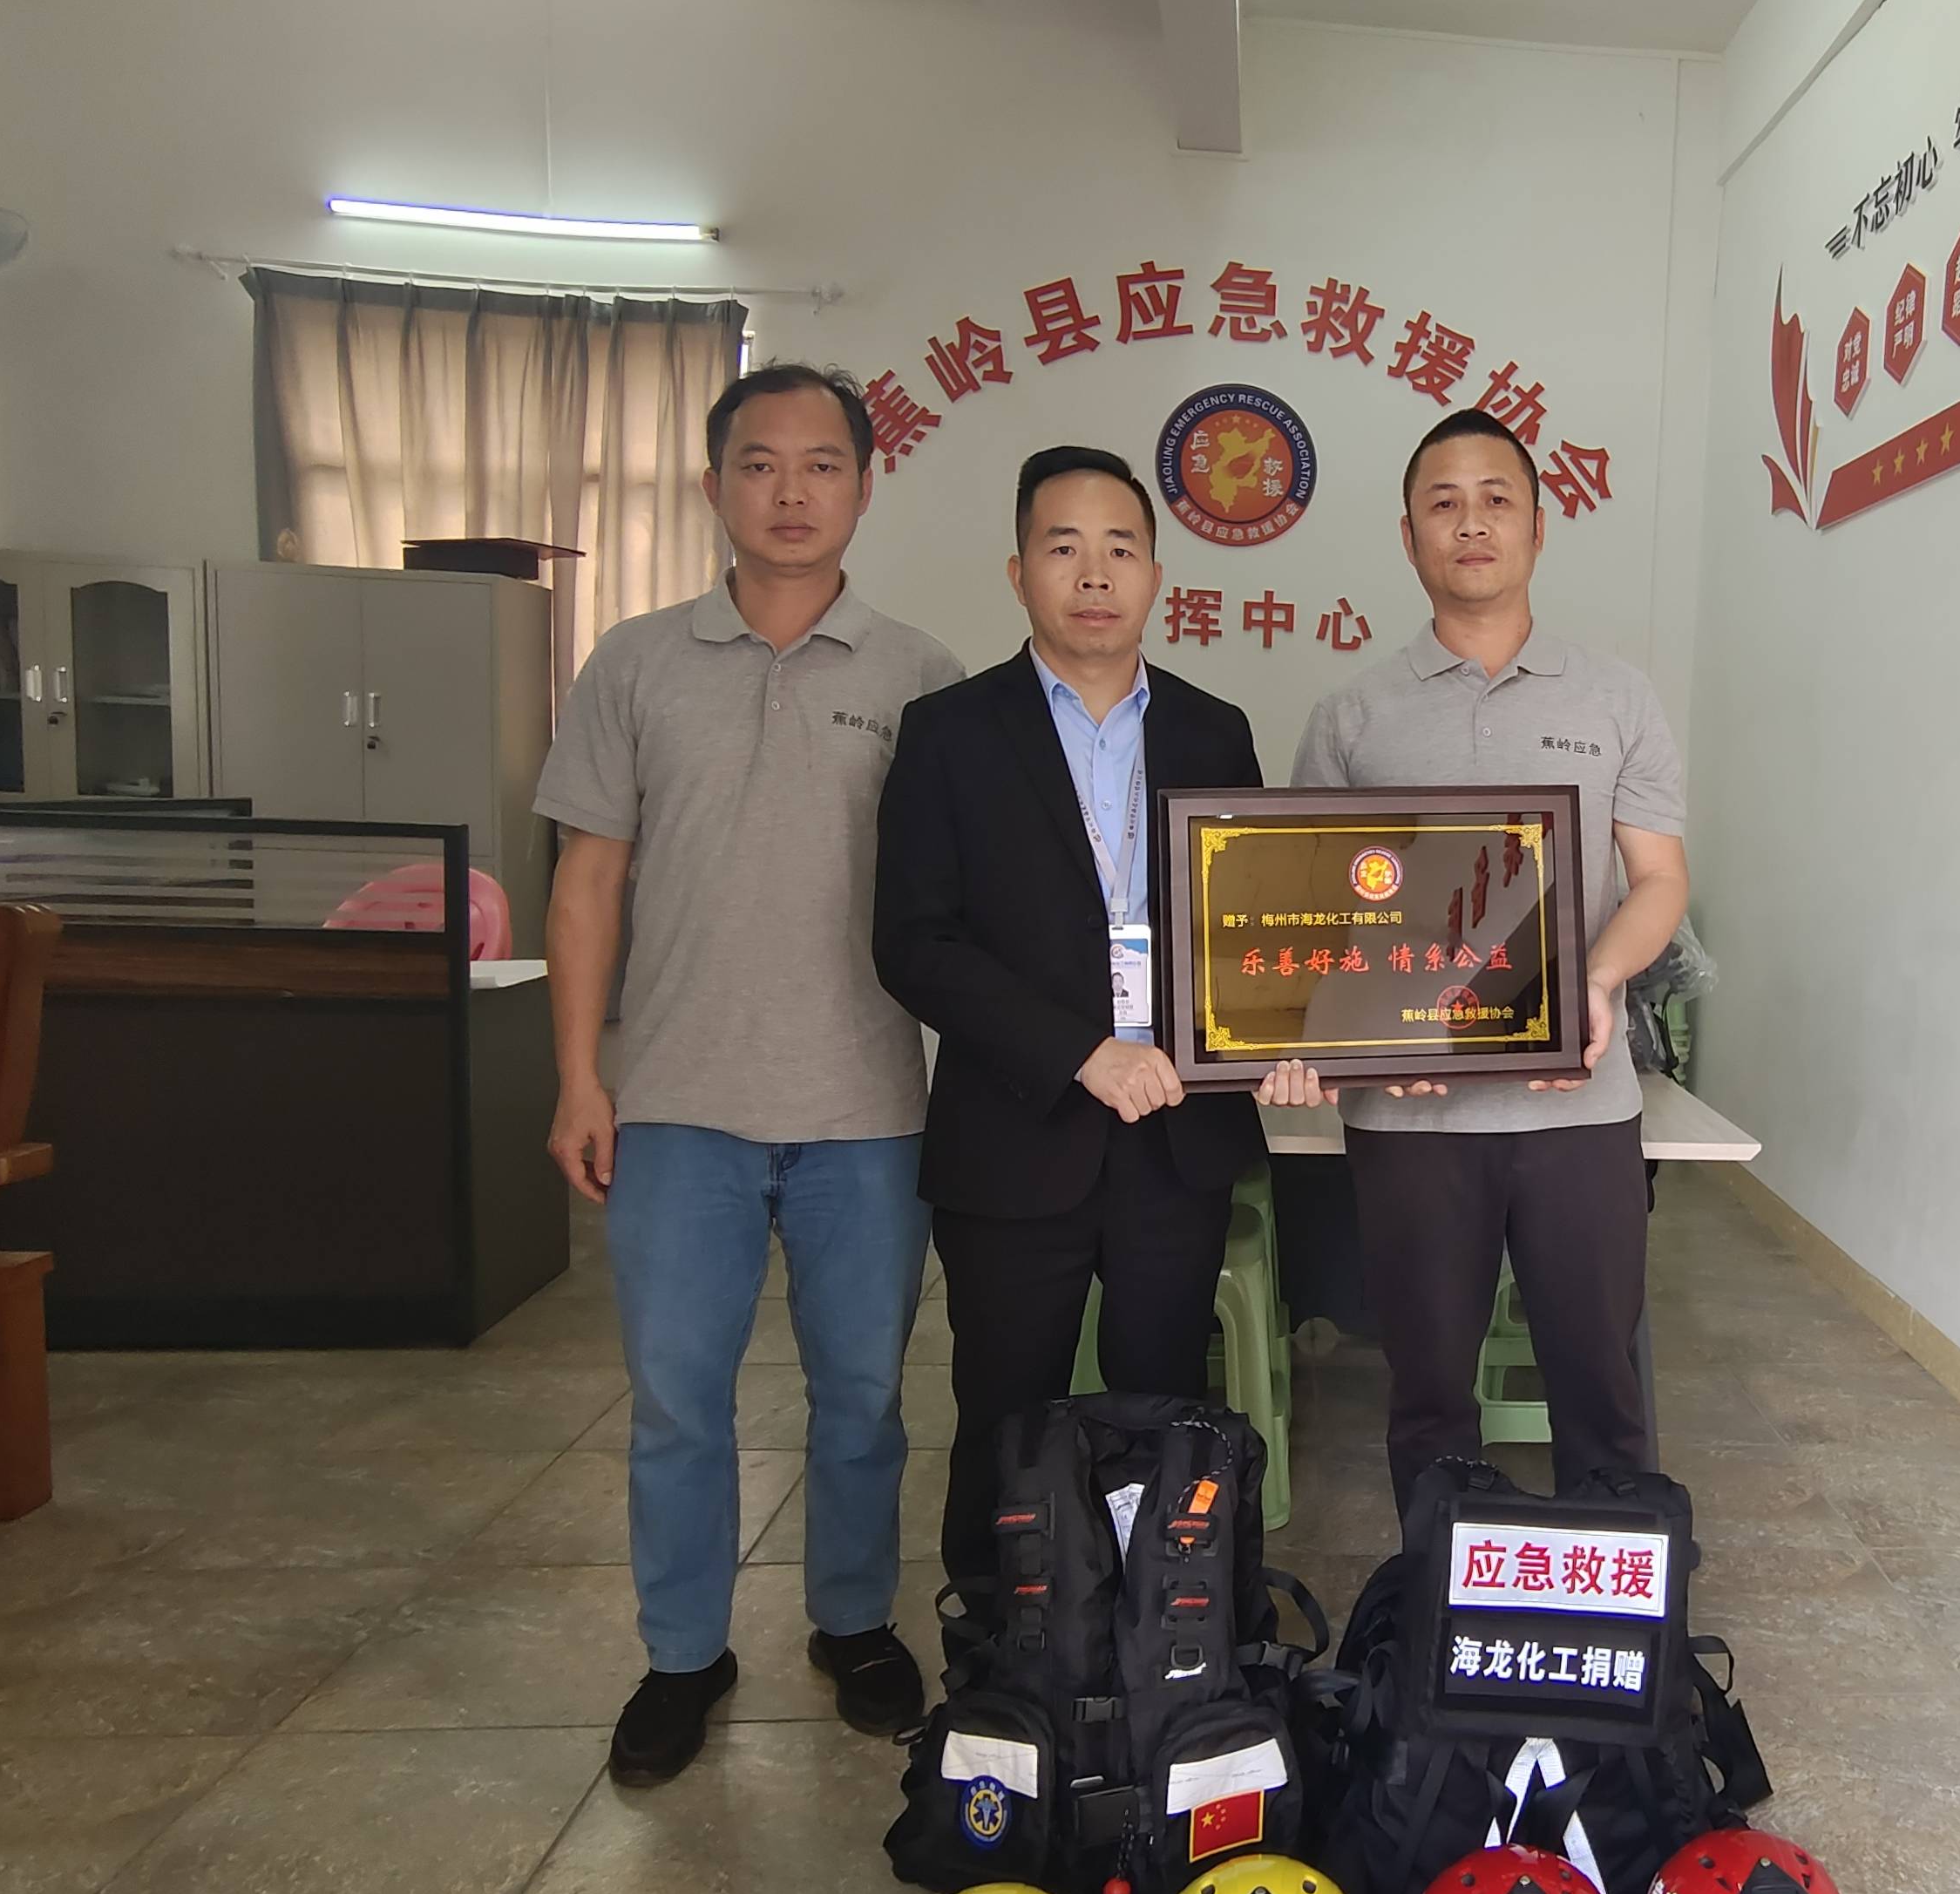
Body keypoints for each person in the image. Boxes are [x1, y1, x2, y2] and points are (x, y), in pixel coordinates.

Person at [535, 362, 961, 1788]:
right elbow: (586, 883)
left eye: (821, 465)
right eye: (761, 464)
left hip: (866, 1107)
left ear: (864, 487)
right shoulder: (635, 663)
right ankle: (682, 1655)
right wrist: (579, 1078)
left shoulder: (920, 677)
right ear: (714, 485)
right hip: (675, 1104)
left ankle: (854, 1622)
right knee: (675, 1403)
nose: (791, 492)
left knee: (864, 1395)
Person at [874, 445, 1312, 1585]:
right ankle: (994, 1644)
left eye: (1120, 548)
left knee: (1162, 1410)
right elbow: (915, 944)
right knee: (1004, 1413)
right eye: (1062, 547)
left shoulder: (1214, 730)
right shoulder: (950, 731)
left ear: (1156, 574)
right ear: (1018, 572)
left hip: (1178, 1137)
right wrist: (1081, 1054)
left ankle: (1153, 1634)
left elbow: (1250, 930)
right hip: (1015, 1134)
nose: (1094, 573)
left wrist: (1288, 1038)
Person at [1272, 407, 1691, 1506]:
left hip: (1578, 1107)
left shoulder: (1615, 699)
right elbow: (1316, 912)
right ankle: (1437, 1590)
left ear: (1537, 529)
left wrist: (1595, 981)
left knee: (1598, 1389)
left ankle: (1608, 1585)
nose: (1471, 523)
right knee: (1426, 1398)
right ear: (1407, 536)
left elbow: (1658, 880)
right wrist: (1363, 1032)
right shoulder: (1351, 716)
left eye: (1496, 499)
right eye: (1443, 503)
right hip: (1410, 1121)